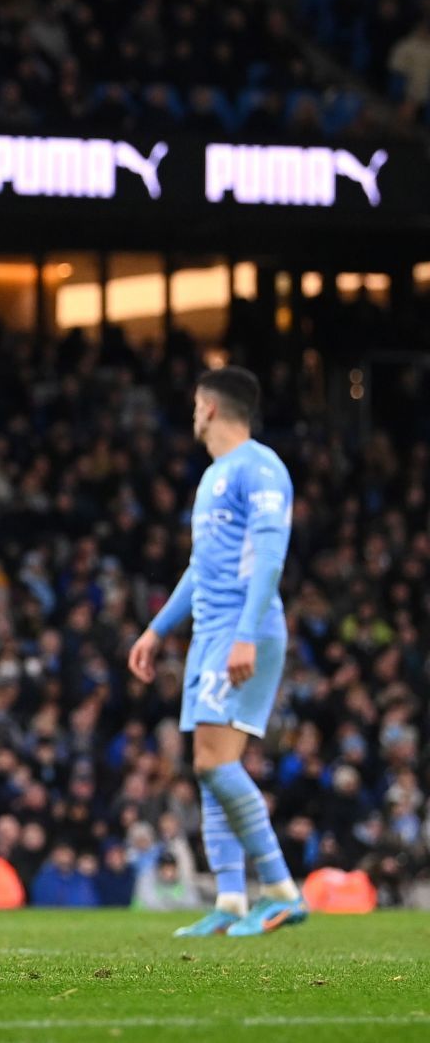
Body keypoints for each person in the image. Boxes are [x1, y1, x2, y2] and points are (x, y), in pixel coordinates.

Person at [128, 366, 305, 937]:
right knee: (209, 767)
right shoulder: (213, 477)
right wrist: (157, 629)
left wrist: (247, 633)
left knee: (213, 762)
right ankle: (231, 900)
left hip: (240, 630)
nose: (191, 412)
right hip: (211, 631)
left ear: (208, 407)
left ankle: (279, 891)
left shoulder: (261, 468)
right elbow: (201, 568)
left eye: (194, 403)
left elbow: (271, 558)